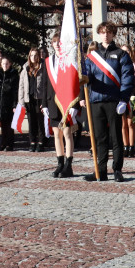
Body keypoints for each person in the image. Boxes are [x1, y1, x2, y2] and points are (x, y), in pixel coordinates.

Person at [83, 22, 135, 182]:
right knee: (100, 137)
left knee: (116, 137)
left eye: (109, 32)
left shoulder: (121, 54)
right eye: (103, 32)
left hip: (114, 101)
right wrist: (83, 77)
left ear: (113, 34)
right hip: (96, 100)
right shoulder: (92, 56)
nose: (106, 35)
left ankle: (117, 170)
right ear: (99, 34)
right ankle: (101, 170)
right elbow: (88, 75)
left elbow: (127, 77)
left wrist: (124, 99)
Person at [45, 31, 78, 178]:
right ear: (52, 44)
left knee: (66, 133)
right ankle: (59, 162)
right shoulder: (47, 61)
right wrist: (44, 104)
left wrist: (75, 106)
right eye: (54, 42)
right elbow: (45, 84)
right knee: (56, 134)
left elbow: (75, 83)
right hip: (52, 102)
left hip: (66, 102)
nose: (57, 45)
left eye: (59, 42)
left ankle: (68, 164)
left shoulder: (69, 60)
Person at [18, 47, 47, 152]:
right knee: (31, 122)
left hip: (39, 98)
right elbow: (21, 85)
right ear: (29, 56)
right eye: (31, 55)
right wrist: (21, 101)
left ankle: (41, 142)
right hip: (28, 98)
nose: (33, 57)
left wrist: (45, 101)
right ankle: (32, 142)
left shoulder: (43, 66)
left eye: (35, 55)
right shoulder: (25, 67)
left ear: (38, 56)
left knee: (40, 122)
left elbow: (46, 84)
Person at [0, 54, 20, 151]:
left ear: (10, 64)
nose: (5, 65)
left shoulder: (14, 75)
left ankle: (9, 144)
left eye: (7, 64)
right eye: (3, 64)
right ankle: (3, 142)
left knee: (9, 125)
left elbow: (15, 91)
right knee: (2, 124)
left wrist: (14, 105)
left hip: (9, 103)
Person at [122, 45, 135, 158]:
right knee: (123, 123)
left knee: (131, 122)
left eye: (127, 51)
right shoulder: (119, 65)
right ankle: (125, 146)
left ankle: (132, 146)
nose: (125, 53)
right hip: (122, 93)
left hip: (133, 93)